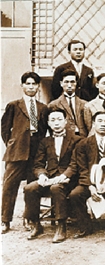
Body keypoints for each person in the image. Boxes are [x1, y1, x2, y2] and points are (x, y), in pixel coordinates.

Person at [23, 108, 82, 243]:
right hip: (50, 177)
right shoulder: (45, 141)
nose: (56, 123)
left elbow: (76, 164)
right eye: (53, 120)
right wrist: (42, 175)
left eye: (59, 119)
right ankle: (36, 224)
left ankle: (61, 226)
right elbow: (38, 164)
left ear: (66, 121)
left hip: (69, 180)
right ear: (48, 123)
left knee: (56, 188)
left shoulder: (76, 140)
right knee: (29, 188)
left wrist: (65, 175)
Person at [1, 72, 48, 234]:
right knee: (9, 186)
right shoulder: (14, 105)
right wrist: (13, 144)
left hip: (35, 152)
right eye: (28, 84)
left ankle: (30, 219)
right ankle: (5, 220)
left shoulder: (43, 108)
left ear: (38, 87)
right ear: (22, 86)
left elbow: (43, 131)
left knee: (31, 187)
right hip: (17, 152)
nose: (31, 87)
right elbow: (5, 129)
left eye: (34, 84)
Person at [69, 111, 105, 240]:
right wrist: (90, 186)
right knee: (75, 194)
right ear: (93, 124)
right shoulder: (83, 144)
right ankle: (85, 226)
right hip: (89, 182)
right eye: (99, 121)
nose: (103, 124)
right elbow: (82, 168)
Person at [48, 69, 88, 137]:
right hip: (64, 138)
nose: (69, 85)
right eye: (66, 82)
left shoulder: (85, 104)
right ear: (61, 83)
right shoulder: (54, 104)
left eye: (72, 82)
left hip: (82, 138)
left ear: (76, 83)